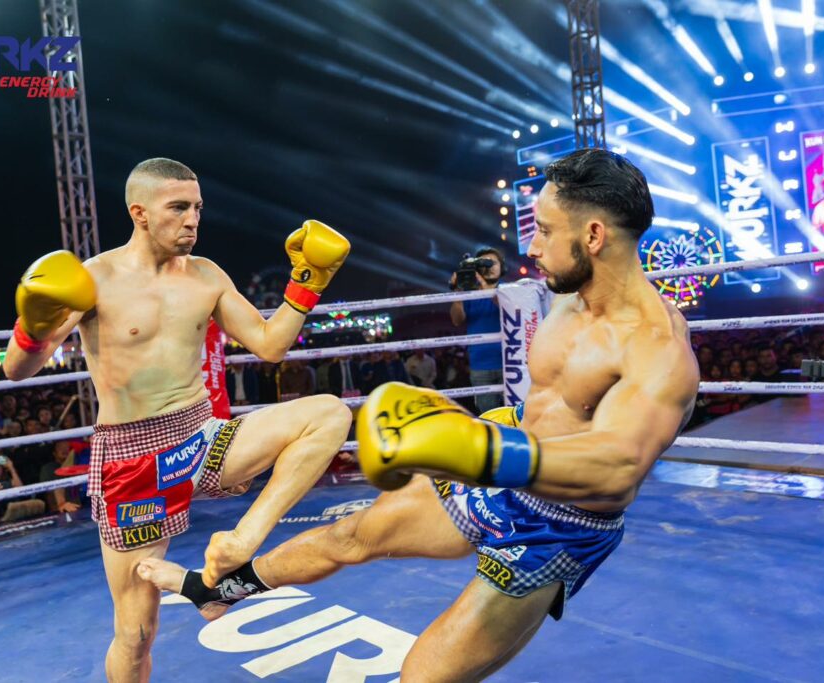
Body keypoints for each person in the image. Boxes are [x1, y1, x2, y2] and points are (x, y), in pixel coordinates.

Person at [140, 148, 699, 681]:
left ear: (594, 236)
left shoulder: (656, 346)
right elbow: (558, 406)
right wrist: (482, 427)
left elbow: (617, 466)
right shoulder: (567, 297)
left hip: (555, 528)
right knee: (350, 535)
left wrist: (473, 450)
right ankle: (218, 591)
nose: (532, 246)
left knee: (422, 676)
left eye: (547, 231)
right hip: (505, 474)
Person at [2, 157, 353, 683]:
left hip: (201, 435)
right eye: (179, 208)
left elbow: (270, 345)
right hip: (131, 456)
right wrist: (33, 325)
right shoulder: (94, 278)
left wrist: (309, 281)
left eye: (198, 208)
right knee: (136, 633)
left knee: (328, 413)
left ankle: (238, 545)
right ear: (139, 213)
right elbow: (16, 369)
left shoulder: (207, 275)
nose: (193, 219)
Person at [449, 246, 505, 412]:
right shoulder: (470, 294)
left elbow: (508, 309)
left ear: (502, 267)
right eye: (484, 263)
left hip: (509, 364)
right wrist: (458, 292)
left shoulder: (509, 290)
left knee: (516, 415)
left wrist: (485, 287)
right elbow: (456, 320)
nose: (489, 267)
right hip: (479, 366)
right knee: (488, 416)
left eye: (493, 263)